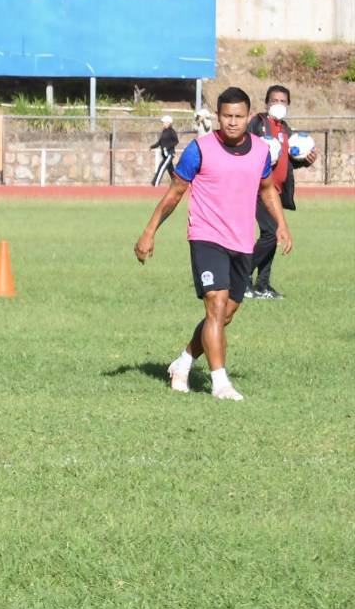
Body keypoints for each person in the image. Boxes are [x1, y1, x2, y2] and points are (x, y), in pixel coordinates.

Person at [134, 86, 291, 402]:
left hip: (242, 240)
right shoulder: (200, 149)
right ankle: (220, 383)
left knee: (224, 315)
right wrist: (149, 230)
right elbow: (175, 193)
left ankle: (184, 361)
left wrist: (281, 224)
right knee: (215, 304)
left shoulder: (261, 150)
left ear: (249, 116)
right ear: (217, 117)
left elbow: (267, 189)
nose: (232, 122)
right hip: (206, 236)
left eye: (239, 116)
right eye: (227, 116)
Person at [245, 85, 316, 299]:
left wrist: (305, 161)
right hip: (258, 190)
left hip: (277, 192)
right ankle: (241, 276)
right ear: (267, 103)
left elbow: (288, 161)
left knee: (274, 234)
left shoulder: (286, 129)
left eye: (283, 101)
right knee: (269, 233)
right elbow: (246, 147)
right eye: (274, 100)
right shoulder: (258, 123)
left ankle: (262, 285)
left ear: (288, 104)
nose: (279, 104)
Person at [150, 114, 178, 186]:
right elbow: (160, 142)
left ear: (168, 123)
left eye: (164, 122)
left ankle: (155, 183)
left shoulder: (172, 131)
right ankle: (176, 183)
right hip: (165, 155)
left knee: (161, 167)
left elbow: (176, 141)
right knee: (171, 171)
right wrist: (152, 146)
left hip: (169, 154)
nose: (163, 124)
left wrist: (168, 147)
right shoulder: (164, 131)